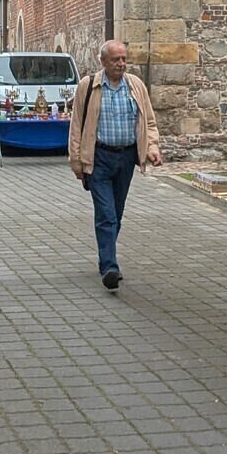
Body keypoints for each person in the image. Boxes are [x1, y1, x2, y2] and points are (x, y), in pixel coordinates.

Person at [68, 40, 162, 291]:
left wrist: (151, 148)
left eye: (124, 59)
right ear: (103, 61)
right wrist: (77, 163)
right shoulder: (88, 86)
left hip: (126, 158)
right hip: (98, 158)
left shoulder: (136, 86)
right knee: (107, 214)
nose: (121, 64)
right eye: (115, 60)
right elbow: (76, 126)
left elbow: (149, 123)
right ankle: (109, 266)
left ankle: (107, 257)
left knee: (116, 213)